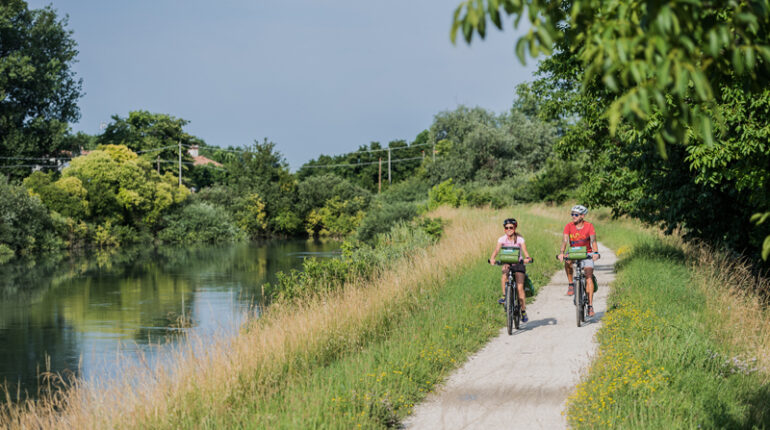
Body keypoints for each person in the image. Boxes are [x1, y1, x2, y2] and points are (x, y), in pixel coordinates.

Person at [558, 205, 600, 317]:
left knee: (589, 276)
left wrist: (596, 252)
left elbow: (593, 241)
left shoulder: (589, 226)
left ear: (582, 216)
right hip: (573, 252)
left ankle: (590, 306)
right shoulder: (569, 226)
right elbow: (564, 241)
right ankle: (571, 284)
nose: (573, 216)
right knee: (567, 261)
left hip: (587, 252)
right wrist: (562, 252)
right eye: (572, 214)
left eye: (576, 214)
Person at [489, 218, 533, 322]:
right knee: (504, 275)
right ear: (504, 229)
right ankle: (505, 296)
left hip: (518, 263)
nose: (508, 229)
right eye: (506, 228)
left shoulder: (520, 239)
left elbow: (525, 251)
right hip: (507, 262)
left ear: (515, 228)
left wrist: (528, 258)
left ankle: (523, 311)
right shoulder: (502, 239)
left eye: (511, 227)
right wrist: (492, 258)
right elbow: (496, 250)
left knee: (520, 288)